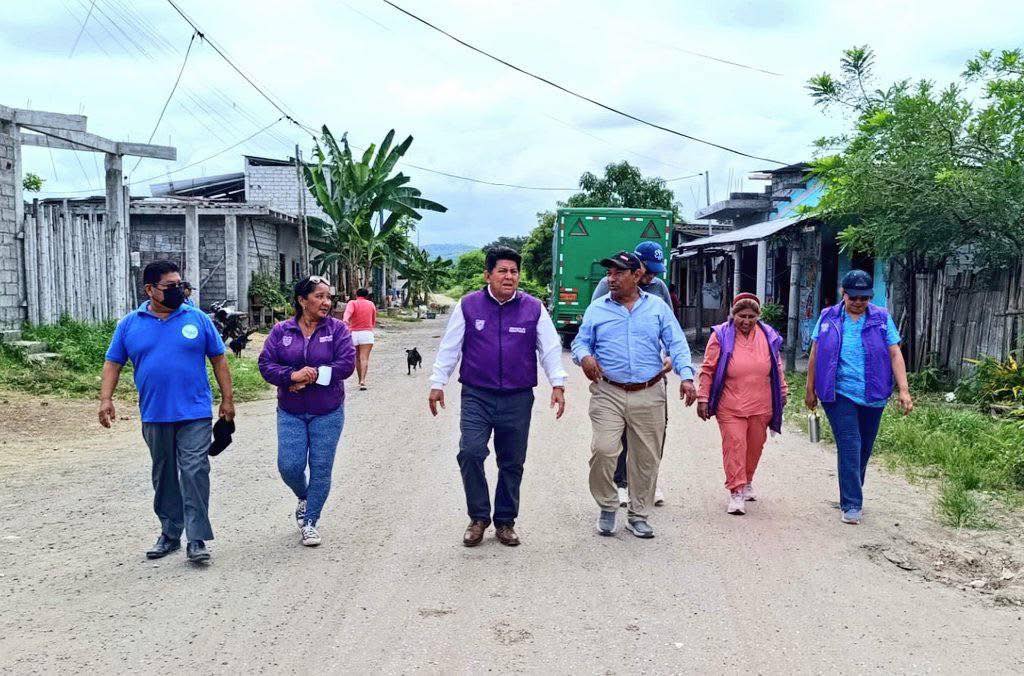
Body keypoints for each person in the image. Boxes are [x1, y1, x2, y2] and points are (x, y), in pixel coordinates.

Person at [429, 246, 567, 547]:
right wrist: (438, 382)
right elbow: (450, 347)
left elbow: (550, 348)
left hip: (518, 397)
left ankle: (505, 522)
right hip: (477, 395)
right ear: (487, 275)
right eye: (502, 271)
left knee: (512, 461)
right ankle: (478, 517)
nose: (509, 277)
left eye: (514, 271)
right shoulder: (468, 305)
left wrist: (557, 383)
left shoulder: (534, 308)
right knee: (470, 452)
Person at [99, 260, 234, 564]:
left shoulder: (197, 318)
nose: (179, 291)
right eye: (170, 286)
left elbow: (219, 360)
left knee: (195, 470)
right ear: (150, 289)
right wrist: (105, 399)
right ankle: (170, 533)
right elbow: (113, 363)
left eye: (180, 284)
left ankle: (196, 538)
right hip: (155, 413)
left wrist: (228, 400)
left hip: (195, 412)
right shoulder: (130, 324)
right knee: (164, 475)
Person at [572, 251, 696, 539]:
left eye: (618, 273)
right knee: (604, 450)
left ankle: (638, 515)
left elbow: (677, 343)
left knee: (646, 458)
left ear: (637, 276)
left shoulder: (657, 308)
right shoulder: (597, 308)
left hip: (649, 392)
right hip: (609, 391)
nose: (611, 278)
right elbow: (580, 342)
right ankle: (607, 505)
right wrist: (584, 357)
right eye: (609, 273)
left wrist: (687, 377)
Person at [805, 269, 913, 525]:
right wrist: (810, 389)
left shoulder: (881, 318)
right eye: (853, 297)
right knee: (850, 444)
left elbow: (895, 353)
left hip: (873, 393)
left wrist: (904, 390)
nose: (858, 302)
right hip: (838, 392)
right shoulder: (828, 316)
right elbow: (815, 353)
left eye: (864, 298)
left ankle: (851, 489)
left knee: (864, 448)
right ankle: (852, 502)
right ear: (843, 293)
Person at [258, 275, 356, 546]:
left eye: (328, 297)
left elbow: (346, 364)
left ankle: (310, 521)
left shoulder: (338, 329)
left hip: (327, 410)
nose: (326, 302)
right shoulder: (282, 331)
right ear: (302, 300)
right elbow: (266, 364)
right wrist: (291, 376)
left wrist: (310, 376)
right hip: (290, 410)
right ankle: (305, 496)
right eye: (319, 296)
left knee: (321, 468)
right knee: (289, 466)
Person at [591, 241, 674, 508]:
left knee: (654, 432)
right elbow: (595, 323)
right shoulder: (608, 286)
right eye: (649, 271)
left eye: (656, 272)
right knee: (619, 433)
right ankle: (621, 483)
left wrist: (669, 355)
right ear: (637, 268)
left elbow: (669, 328)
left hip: (652, 373)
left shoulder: (658, 289)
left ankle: (648, 482)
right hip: (616, 378)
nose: (652, 277)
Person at [697, 293, 788, 515]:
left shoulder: (768, 335)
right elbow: (708, 369)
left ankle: (747, 480)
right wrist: (703, 397)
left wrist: (782, 390)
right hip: (730, 404)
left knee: (755, 446)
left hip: (761, 404)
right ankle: (736, 491)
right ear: (733, 315)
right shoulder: (721, 335)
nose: (746, 321)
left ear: (758, 316)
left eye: (751, 316)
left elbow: (776, 366)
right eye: (741, 316)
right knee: (735, 445)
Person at [344, 288, 377, 391]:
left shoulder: (352, 303)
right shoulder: (371, 304)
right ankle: (363, 380)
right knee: (364, 358)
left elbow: (347, 314)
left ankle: (359, 380)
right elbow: (373, 320)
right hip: (367, 334)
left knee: (357, 358)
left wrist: (346, 322)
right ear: (367, 296)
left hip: (354, 334)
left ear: (356, 295)